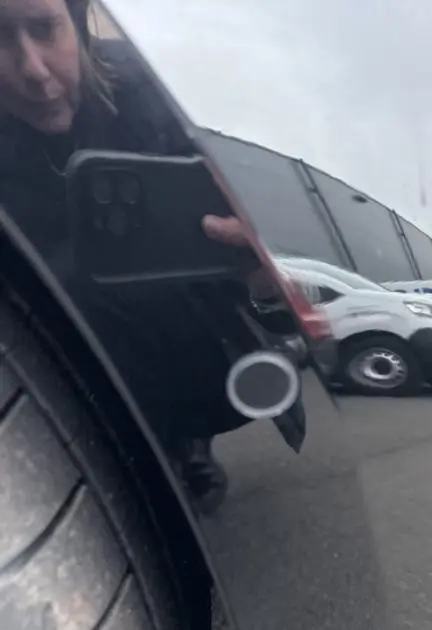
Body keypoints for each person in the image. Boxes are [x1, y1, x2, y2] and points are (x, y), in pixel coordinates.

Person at [0, 0, 259, 512]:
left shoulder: (153, 85)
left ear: (78, 22)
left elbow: (239, 187)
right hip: (49, 339)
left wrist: (254, 224)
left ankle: (182, 438)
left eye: (45, 28)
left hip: (178, 312)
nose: (34, 69)